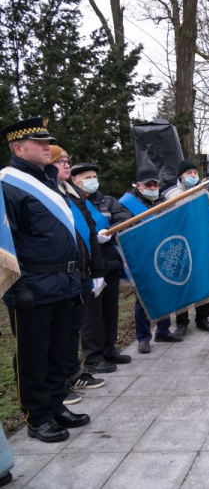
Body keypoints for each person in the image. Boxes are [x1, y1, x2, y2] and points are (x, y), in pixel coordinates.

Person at [0, 117, 90, 442]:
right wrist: (16, 287)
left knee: (57, 350)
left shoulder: (47, 181)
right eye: (39, 143)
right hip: (32, 287)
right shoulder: (7, 183)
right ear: (17, 147)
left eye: (47, 142)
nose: (46, 147)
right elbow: (2, 240)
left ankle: (56, 405)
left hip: (63, 283)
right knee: (33, 355)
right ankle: (37, 417)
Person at [49, 147, 108, 407]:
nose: (65, 165)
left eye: (66, 161)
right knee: (58, 332)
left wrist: (96, 270)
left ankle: (73, 372)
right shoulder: (48, 192)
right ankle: (59, 381)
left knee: (74, 326)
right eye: (59, 162)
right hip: (59, 273)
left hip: (81, 270)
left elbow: (89, 231)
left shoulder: (72, 194)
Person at [70, 162, 133, 369]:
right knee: (92, 315)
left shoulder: (108, 201)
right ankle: (93, 357)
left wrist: (110, 231)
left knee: (110, 311)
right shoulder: (70, 202)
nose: (93, 181)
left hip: (110, 263)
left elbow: (124, 217)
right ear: (75, 181)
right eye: (87, 178)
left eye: (94, 177)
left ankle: (109, 350)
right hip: (88, 266)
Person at [120, 167, 182, 353]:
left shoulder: (164, 202)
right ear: (138, 185)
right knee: (143, 298)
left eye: (155, 184)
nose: (153, 187)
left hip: (164, 253)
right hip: (141, 256)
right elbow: (123, 232)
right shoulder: (126, 205)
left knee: (165, 291)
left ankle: (163, 331)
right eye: (149, 185)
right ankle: (143, 337)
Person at [164, 159, 209, 336]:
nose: (193, 176)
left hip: (199, 242)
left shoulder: (202, 193)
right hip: (179, 245)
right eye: (190, 173)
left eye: (195, 173)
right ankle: (182, 322)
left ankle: (203, 318)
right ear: (181, 175)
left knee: (201, 280)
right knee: (181, 281)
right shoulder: (170, 195)